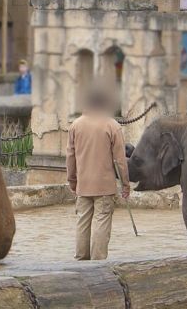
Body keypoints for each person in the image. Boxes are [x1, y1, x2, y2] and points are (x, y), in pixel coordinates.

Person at [66, 88, 130, 261]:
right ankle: (98, 261)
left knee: (82, 221)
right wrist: (125, 184)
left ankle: (81, 258)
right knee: (102, 221)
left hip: (83, 184)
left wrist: (72, 180)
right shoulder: (112, 126)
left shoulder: (75, 125)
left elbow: (70, 157)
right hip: (104, 185)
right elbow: (120, 160)